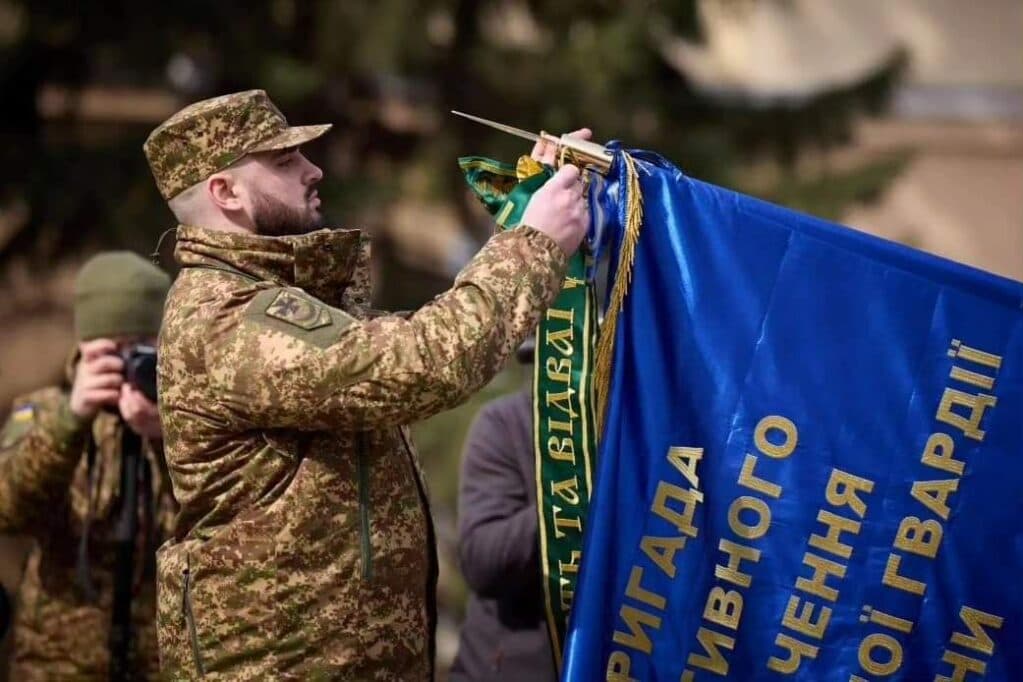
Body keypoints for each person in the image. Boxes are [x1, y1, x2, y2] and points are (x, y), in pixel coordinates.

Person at [142, 89, 589, 680]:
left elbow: (420, 332)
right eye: (283, 162)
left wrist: (532, 199)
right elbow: (420, 363)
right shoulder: (223, 318)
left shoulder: (271, 301)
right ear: (226, 193)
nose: (313, 168)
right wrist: (535, 245)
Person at [0, 252, 177, 680]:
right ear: (82, 348)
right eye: (111, 351)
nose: (127, 365)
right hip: (58, 663)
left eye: (141, 350)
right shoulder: (43, 414)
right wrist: (71, 420)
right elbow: (9, 510)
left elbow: (216, 521)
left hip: (162, 663)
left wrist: (164, 437)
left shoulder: (190, 421)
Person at [450, 337, 556, 681]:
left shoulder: (647, 439)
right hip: (506, 667)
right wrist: (576, 491)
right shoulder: (504, 424)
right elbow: (484, 560)